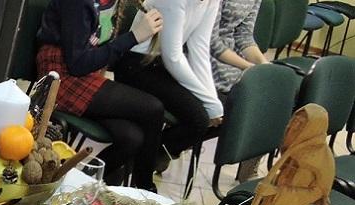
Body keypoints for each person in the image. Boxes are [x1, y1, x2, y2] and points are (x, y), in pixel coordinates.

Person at [36, 0, 165, 190]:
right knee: (153, 108)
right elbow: (77, 63)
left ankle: (78, 186)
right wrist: (134, 36)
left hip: (85, 70)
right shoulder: (78, 4)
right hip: (60, 75)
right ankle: (145, 191)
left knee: (132, 138)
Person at [114, 0, 224, 175]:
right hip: (137, 63)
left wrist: (212, 100)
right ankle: (137, 163)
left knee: (221, 113)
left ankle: (140, 160)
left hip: (161, 64)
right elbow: (172, 57)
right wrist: (210, 103)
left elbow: (199, 48)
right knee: (199, 120)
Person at [211, 0, 268, 179]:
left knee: (272, 92)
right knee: (246, 99)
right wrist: (248, 67)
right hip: (205, 55)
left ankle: (249, 164)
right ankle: (172, 148)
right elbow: (211, 41)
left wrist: (263, 65)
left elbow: (244, 35)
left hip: (231, 58)